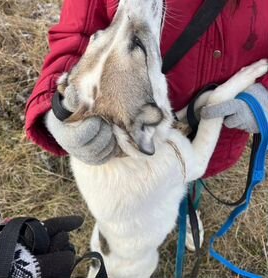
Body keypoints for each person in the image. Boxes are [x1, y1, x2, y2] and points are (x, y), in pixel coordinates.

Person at [25, 0, 268, 253]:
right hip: (130, 130)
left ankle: (187, 207)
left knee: (189, 180)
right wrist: (60, 110)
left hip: (216, 139)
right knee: (146, 196)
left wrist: (264, 99)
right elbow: (77, 33)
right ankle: (114, 231)